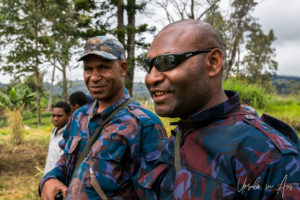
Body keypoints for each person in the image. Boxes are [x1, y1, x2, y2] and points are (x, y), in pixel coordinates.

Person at [142, 19, 300, 199]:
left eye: (167, 61)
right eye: (149, 65)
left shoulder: (270, 156)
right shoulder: (179, 135)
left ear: (213, 62)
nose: (150, 78)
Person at [39, 35, 167, 199]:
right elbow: (65, 162)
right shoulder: (79, 117)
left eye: (103, 67)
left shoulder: (144, 125)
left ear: (122, 68)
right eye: (88, 69)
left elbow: (156, 193)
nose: (94, 77)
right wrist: (50, 180)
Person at [44, 102, 71, 175]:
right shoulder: (53, 132)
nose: (55, 119)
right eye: (53, 116)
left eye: (59, 116)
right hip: (48, 173)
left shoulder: (70, 134)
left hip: (60, 177)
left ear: (69, 116)